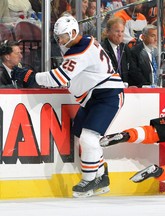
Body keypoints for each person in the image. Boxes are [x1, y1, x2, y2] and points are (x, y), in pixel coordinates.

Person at [11, 15, 125, 198]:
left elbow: (58, 79)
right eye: (58, 37)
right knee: (82, 136)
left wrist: (31, 76)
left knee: (89, 138)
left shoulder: (80, 51)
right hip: (93, 97)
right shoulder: (86, 42)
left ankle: (89, 180)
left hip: (107, 96)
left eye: (63, 36)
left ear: (73, 32)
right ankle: (101, 177)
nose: (60, 40)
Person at [101, 17, 142, 87]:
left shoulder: (124, 48)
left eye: (122, 31)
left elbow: (133, 71)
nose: (120, 35)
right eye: (117, 31)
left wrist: (140, 85)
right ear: (107, 32)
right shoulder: (102, 49)